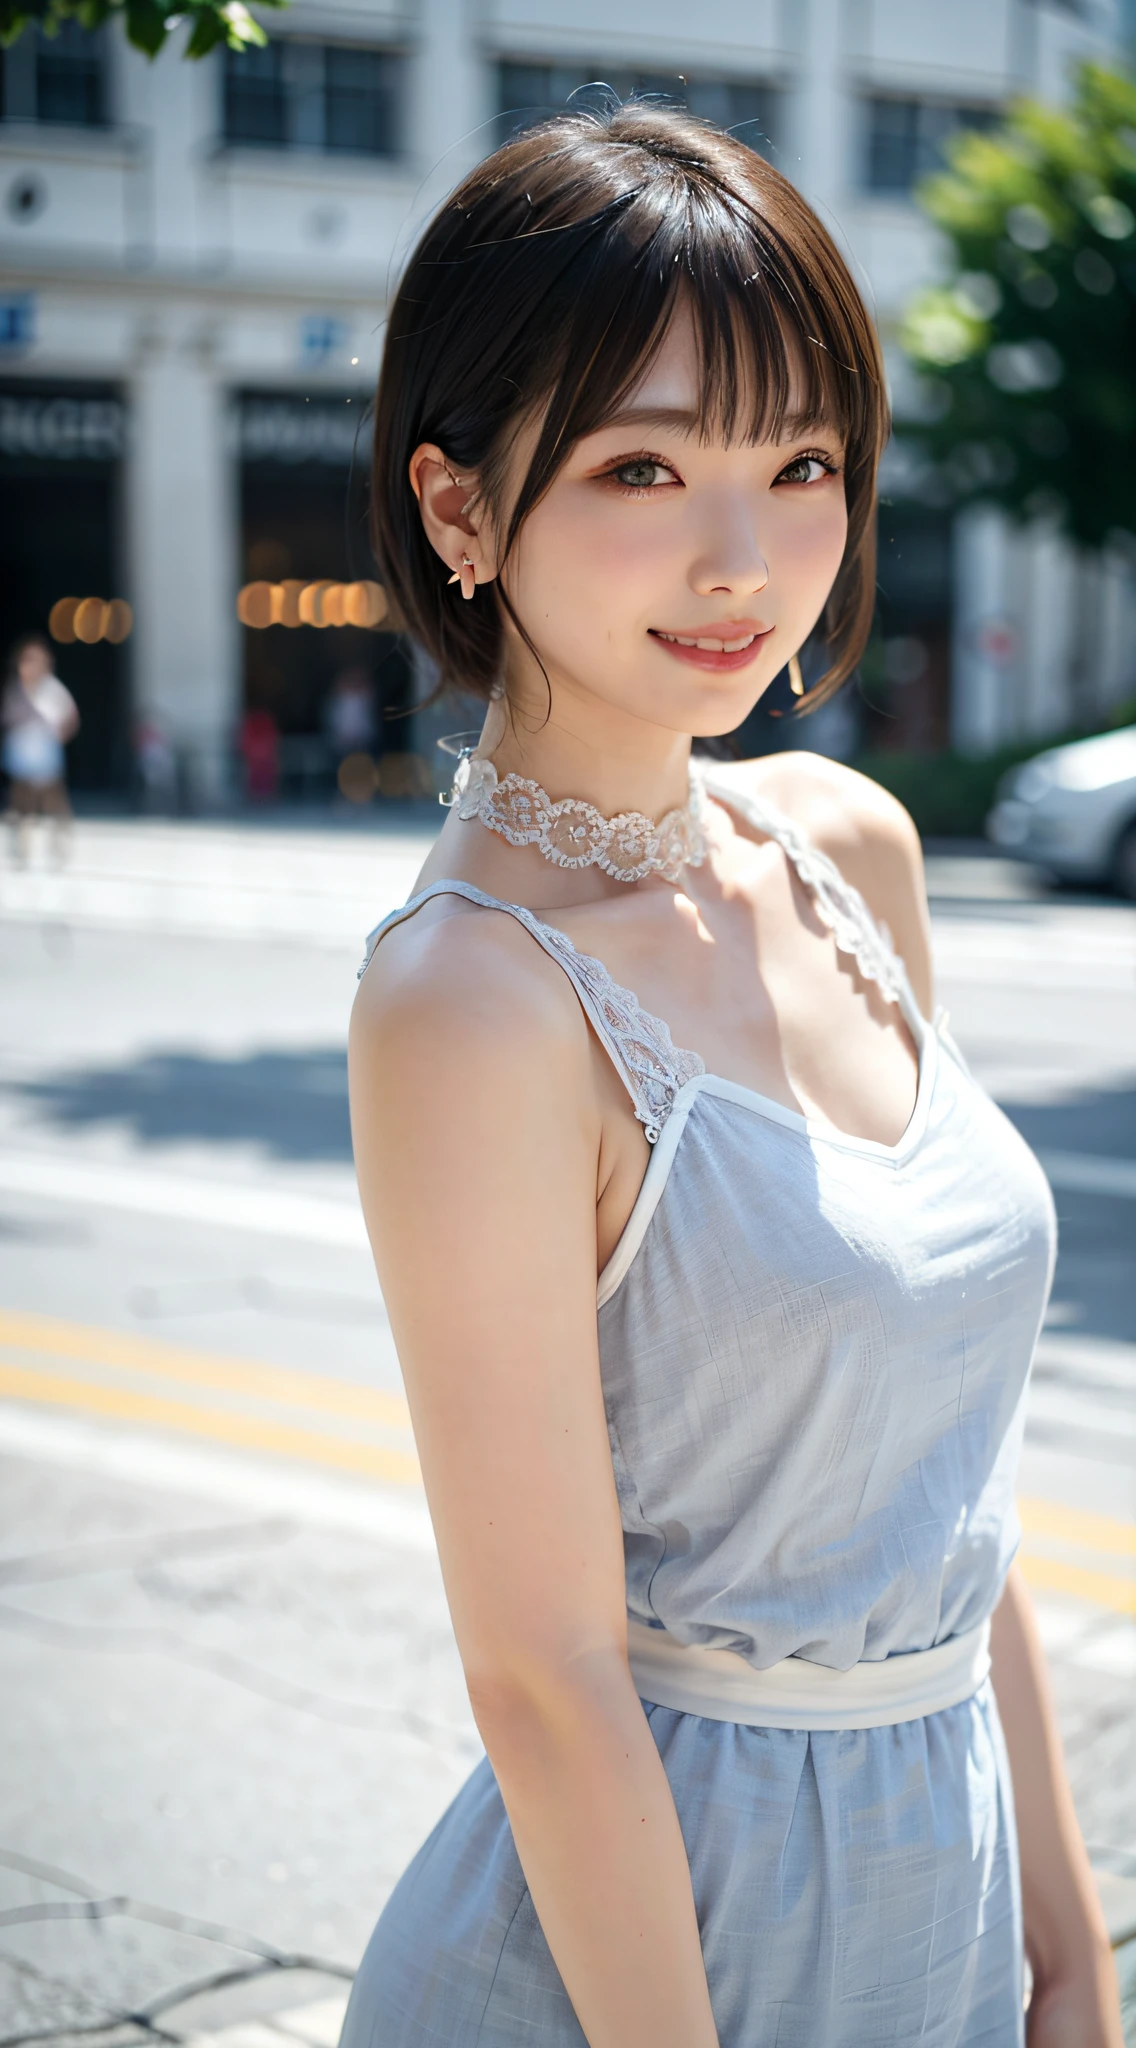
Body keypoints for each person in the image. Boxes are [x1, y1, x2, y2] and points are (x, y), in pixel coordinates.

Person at [342, 107, 1121, 2048]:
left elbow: (957, 1495)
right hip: (647, 1964)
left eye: (798, 464)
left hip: (934, 1908)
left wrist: (1067, 1953)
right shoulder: (473, 998)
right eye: (638, 463)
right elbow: (542, 1676)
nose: (739, 555)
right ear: (457, 511)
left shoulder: (848, 849)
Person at [2, 632, 80, 865]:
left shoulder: (51, 690)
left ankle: (59, 847)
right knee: (20, 803)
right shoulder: (15, 691)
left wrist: (56, 737)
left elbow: (69, 717)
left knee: (53, 802)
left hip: (45, 755)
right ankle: (21, 848)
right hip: (22, 754)